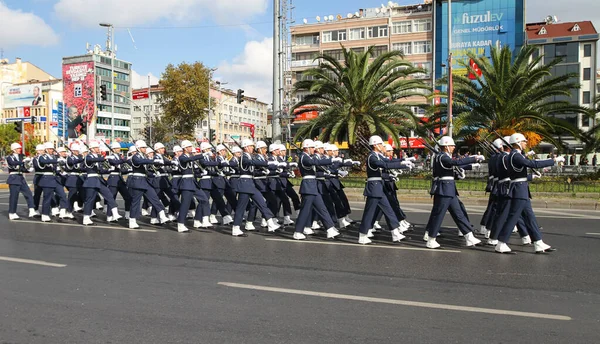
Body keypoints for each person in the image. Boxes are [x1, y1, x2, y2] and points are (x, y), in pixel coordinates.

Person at [495, 133, 563, 254]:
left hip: (521, 189)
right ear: (518, 143)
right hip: (519, 190)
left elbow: (520, 173)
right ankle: (501, 243)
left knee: (530, 217)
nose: (526, 143)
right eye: (524, 141)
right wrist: (552, 161)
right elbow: (533, 164)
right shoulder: (515, 156)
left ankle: (538, 242)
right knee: (513, 217)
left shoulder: (513, 155)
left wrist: (531, 176)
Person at [424, 136, 484, 249]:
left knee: (459, 214)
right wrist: (473, 158)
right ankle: (431, 239)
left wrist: (470, 166)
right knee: (439, 215)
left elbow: (455, 165)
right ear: (446, 146)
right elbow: (455, 162)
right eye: (452, 145)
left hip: (449, 190)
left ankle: (469, 236)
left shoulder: (442, 156)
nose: (454, 147)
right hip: (444, 190)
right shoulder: (442, 157)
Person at [358, 136, 412, 245]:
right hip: (374, 187)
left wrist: (404, 160)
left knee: (388, 210)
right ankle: (362, 235)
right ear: (375, 145)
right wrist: (401, 165)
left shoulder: (377, 156)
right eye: (381, 144)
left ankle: (395, 233)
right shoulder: (372, 157)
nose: (383, 146)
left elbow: (389, 161)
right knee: (369, 212)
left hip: (378, 187)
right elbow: (385, 164)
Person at [6, 142, 37, 220]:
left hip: (20, 177)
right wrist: (22, 162)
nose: (19, 150)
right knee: (14, 197)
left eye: (19, 148)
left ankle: (32, 210)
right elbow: (12, 163)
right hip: (13, 178)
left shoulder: (21, 156)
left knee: (29, 194)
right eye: (17, 148)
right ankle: (12, 213)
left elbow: (23, 167)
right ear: (13, 149)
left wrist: (28, 170)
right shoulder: (9, 157)